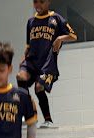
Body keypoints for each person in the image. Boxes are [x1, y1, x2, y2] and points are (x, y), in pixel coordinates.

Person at [17, 0, 77, 128]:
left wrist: (60, 38)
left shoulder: (56, 18)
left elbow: (73, 36)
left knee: (39, 87)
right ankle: (29, 115)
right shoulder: (31, 21)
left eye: (42, 2)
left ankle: (48, 120)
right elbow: (28, 45)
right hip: (31, 61)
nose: (38, 5)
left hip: (47, 64)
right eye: (35, 2)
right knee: (20, 77)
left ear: (48, 2)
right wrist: (23, 58)